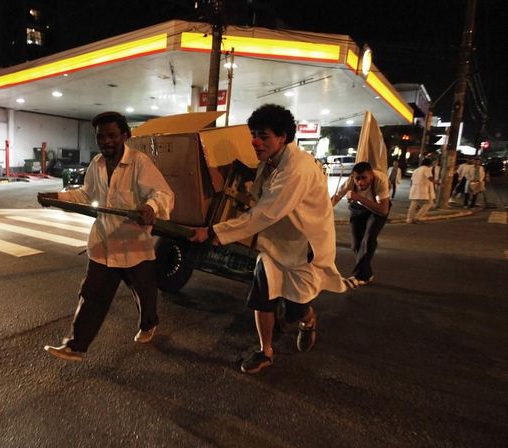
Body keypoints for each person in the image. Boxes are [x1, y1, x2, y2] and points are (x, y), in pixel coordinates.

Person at [190, 104, 345, 374]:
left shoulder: (297, 169)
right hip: (274, 244)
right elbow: (259, 197)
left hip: (302, 248)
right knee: (262, 297)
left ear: (282, 137)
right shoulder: (270, 162)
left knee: (296, 309)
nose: (255, 141)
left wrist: (215, 231)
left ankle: (307, 321)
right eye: (253, 134)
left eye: (263, 135)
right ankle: (265, 351)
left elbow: (265, 213)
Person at [40, 111, 174, 362]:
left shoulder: (139, 162)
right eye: (101, 137)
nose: (106, 141)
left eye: (112, 135)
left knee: (145, 295)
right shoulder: (97, 164)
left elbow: (162, 193)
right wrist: (56, 197)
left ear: (125, 135)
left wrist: (151, 208)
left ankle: (149, 323)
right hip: (104, 244)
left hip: (134, 246)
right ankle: (75, 345)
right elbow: (85, 194)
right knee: (91, 295)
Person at [332, 161, 390, 288]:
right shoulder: (350, 182)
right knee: (356, 244)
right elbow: (336, 197)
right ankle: (366, 274)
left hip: (377, 209)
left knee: (368, 239)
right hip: (357, 209)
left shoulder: (380, 180)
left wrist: (358, 198)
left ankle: (359, 276)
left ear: (371, 175)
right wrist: (322, 213)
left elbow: (383, 209)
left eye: (364, 178)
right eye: (357, 178)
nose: (360, 182)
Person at [407, 158, 438, 224]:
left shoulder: (416, 170)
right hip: (422, 188)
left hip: (414, 187)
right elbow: (430, 178)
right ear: (429, 164)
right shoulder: (426, 169)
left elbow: (411, 180)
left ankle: (409, 219)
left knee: (414, 203)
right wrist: (437, 182)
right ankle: (418, 217)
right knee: (429, 203)